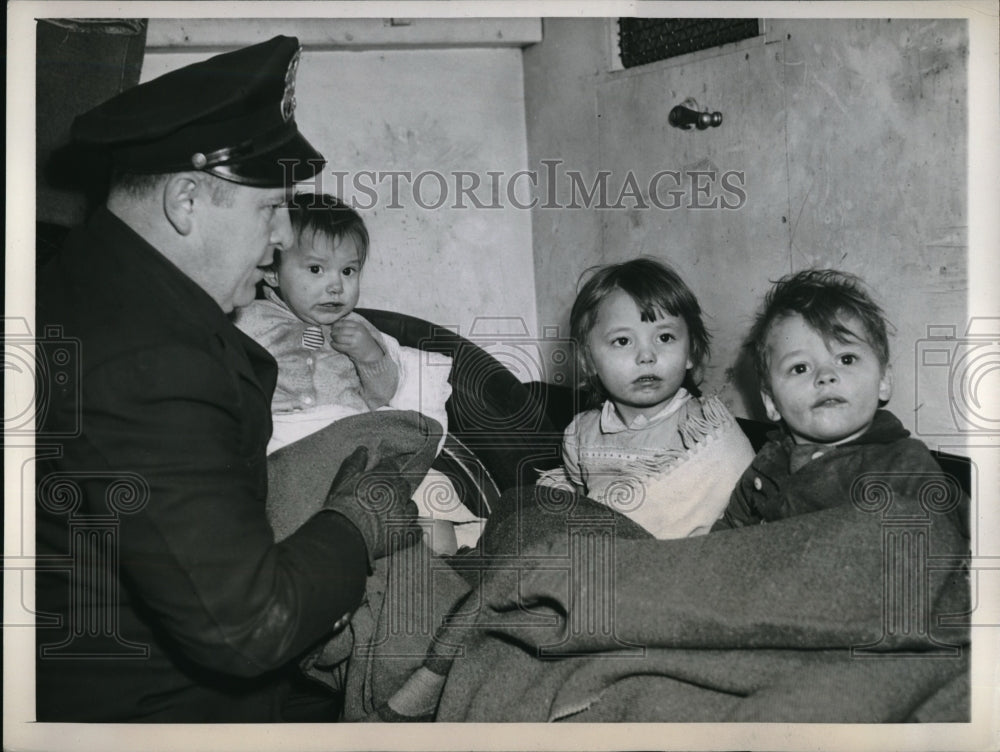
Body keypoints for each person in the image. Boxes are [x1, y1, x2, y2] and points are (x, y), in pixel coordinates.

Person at [34, 36, 420, 722]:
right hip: (163, 713)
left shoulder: (93, 279)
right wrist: (359, 518)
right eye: (270, 209)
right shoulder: (147, 362)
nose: (280, 239)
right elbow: (250, 628)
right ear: (186, 201)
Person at [714, 268, 964, 529]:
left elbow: (931, 551)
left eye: (846, 359)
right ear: (771, 403)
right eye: (800, 368)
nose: (825, 376)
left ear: (883, 382)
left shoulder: (904, 465)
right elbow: (723, 541)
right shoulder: (766, 465)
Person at [538, 257, 754, 538]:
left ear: (691, 352)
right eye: (623, 341)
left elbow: (746, 511)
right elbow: (581, 508)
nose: (647, 356)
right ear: (588, 361)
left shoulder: (705, 427)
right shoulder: (581, 435)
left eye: (664, 337)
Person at [233, 193, 402, 454]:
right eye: (316, 269)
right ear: (272, 272)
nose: (336, 286)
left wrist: (370, 356)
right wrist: (253, 405)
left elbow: (384, 396)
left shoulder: (358, 328)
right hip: (282, 435)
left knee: (407, 432)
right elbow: (219, 378)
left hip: (347, 436)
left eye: (348, 271)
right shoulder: (248, 319)